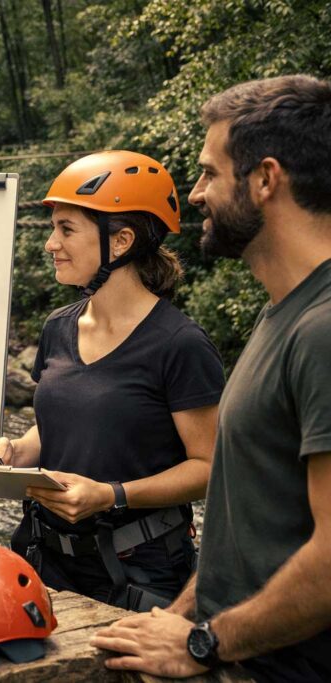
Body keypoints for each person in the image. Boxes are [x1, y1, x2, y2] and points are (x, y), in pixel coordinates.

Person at [91, 75, 331, 681]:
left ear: (265, 179)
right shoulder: (283, 314)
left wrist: (204, 644)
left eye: (208, 173)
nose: (195, 194)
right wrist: (175, 616)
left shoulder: (323, 330)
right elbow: (247, 523)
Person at [0, 151, 224, 612]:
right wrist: (13, 453)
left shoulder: (180, 344)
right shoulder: (58, 327)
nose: (50, 243)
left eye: (66, 229)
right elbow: (60, 427)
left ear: (122, 241)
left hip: (138, 571)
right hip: (43, 558)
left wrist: (112, 496)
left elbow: (210, 468)